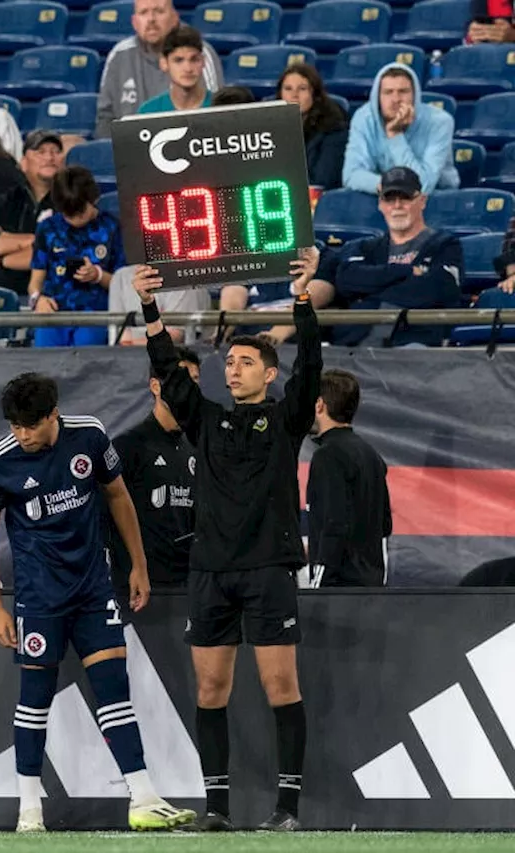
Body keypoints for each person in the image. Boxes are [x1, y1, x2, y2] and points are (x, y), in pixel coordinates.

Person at [134, 244, 323, 833]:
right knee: (211, 688)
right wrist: (149, 307)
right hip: (210, 572)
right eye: (230, 361)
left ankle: (286, 809)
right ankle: (216, 808)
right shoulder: (206, 420)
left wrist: (300, 300)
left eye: (245, 361)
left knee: (278, 686)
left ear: (269, 373)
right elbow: (168, 371)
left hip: (268, 569)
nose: (233, 368)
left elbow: (311, 368)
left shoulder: (287, 419)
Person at [0, 373, 196, 833]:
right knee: (33, 701)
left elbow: (118, 496)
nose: (22, 434)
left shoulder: (90, 437)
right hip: (39, 599)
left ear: (53, 414)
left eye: (30, 426)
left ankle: (143, 797)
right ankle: (29, 812)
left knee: (115, 689)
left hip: (94, 589)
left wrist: (138, 565)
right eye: (14, 426)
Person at [330, 166, 464, 347]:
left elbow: (440, 289)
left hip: (415, 346)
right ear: (380, 204)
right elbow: (346, 281)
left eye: (406, 198)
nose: (397, 205)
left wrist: (370, 295)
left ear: (422, 200)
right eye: (389, 198)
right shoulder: (363, 247)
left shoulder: (445, 245)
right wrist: (406, 272)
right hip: (355, 345)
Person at [108, 348, 200, 598]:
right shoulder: (128, 445)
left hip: (188, 585)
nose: (188, 389)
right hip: (140, 587)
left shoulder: (197, 445)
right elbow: (105, 519)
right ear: (155, 386)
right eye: (179, 380)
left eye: (194, 381)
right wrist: (133, 569)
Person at [306, 370, 392, 588]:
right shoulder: (372, 454)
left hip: (338, 587)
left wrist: (320, 582)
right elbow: (384, 526)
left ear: (319, 405)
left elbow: (334, 523)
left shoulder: (327, 456)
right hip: (369, 585)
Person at [27, 166, 126, 347]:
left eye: (81, 212)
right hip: (54, 314)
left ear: (93, 199)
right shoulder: (47, 228)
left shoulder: (112, 228)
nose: (75, 219)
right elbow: (35, 282)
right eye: (68, 213)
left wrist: (97, 275)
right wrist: (37, 300)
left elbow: (123, 284)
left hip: (96, 314)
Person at [97, 0, 223, 135]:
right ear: (134, 22)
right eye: (144, 12)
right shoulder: (119, 55)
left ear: (175, 18)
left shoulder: (199, 52)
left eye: (159, 11)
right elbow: (105, 117)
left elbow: (218, 112)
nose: (151, 19)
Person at [0, 129, 63, 298]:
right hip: (8, 292)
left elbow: (62, 249)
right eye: (41, 152)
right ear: (23, 163)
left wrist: (5, 259)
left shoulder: (72, 199)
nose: (49, 158)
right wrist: (31, 241)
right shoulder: (10, 199)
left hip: (55, 294)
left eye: (55, 152)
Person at [342, 63, 459, 195]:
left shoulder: (439, 122)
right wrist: (391, 187)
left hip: (436, 199)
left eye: (403, 91)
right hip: (382, 196)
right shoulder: (364, 118)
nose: (395, 99)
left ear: (415, 95)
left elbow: (423, 187)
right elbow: (351, 175)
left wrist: (395, 134)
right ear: (377, 96)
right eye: (388, 92)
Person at [277, 64, 348, 191]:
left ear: (314, 94)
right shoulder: (270, 124)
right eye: (288, 89)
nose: (294, 95)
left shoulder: (333, 127)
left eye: (302, 89)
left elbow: (324, 181)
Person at [108, 264, 211, 345]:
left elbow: (175, 337)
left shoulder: (186, 276)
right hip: (132, 360)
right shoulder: (120, 277)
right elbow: (122, 338)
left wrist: (133, 344)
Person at [138, 25, 215, 114]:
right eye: (179, 60)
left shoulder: (220, 108)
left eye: (194, 59)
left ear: (203, 61)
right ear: (164, 63)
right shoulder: (148, 111)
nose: (188, 68)